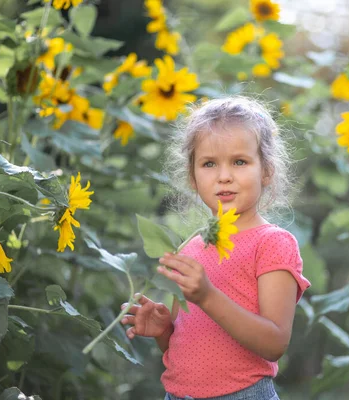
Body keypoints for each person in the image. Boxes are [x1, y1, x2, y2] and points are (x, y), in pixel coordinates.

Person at [120, 96, 311, 400]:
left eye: (239, 161)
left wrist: (207, 296)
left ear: (266, 170)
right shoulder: (188, 248)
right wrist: (163, 330)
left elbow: (274, 343)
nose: (224, 176)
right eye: (209, 163)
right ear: (193, 177)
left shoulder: (273, 243)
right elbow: (184, 347)